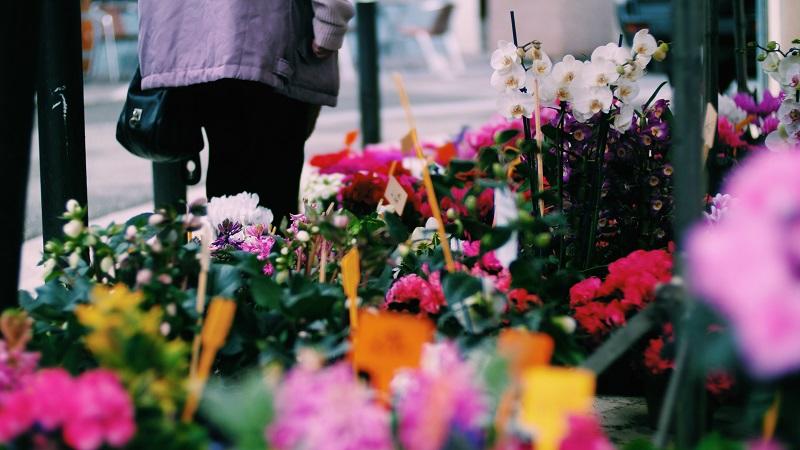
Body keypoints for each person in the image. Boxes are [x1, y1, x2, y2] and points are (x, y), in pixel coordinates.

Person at [138, 0, 355, 223]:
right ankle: (261, 253)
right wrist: (331, 18)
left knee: (228, 179)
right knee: (272, 188)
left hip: (191, 38)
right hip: (265, 39)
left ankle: (230, 253)